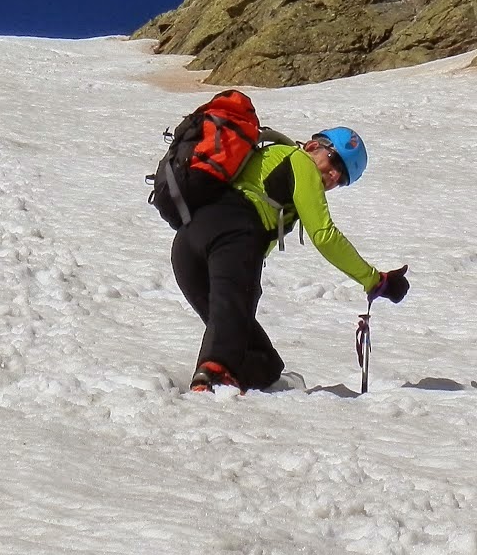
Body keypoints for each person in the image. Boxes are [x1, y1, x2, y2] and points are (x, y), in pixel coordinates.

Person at [173, 125, 410, 393]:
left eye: (342, 178)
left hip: (186, 247)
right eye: (334, 162)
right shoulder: (300, 162)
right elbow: (324, 235)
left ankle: (243, 376)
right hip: (233, 238)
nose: (333, 176)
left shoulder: (272, 157)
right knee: (228, 330)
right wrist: (375, 281)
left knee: (255, 351)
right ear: (312, 146)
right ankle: (211, 380)